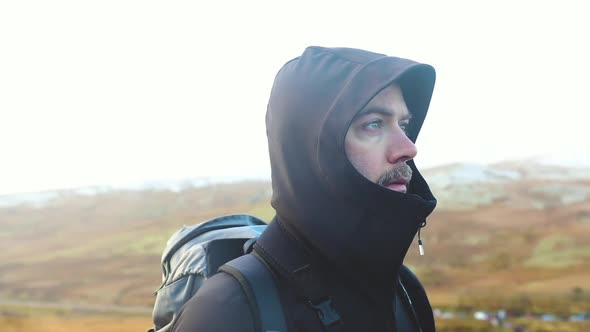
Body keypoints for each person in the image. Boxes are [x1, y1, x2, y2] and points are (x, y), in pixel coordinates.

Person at [172, 46, 438, 332]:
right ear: (311, 148)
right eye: (373, 124)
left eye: (404, 124)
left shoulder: (406, 293)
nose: (408, 148)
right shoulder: (226, 312)